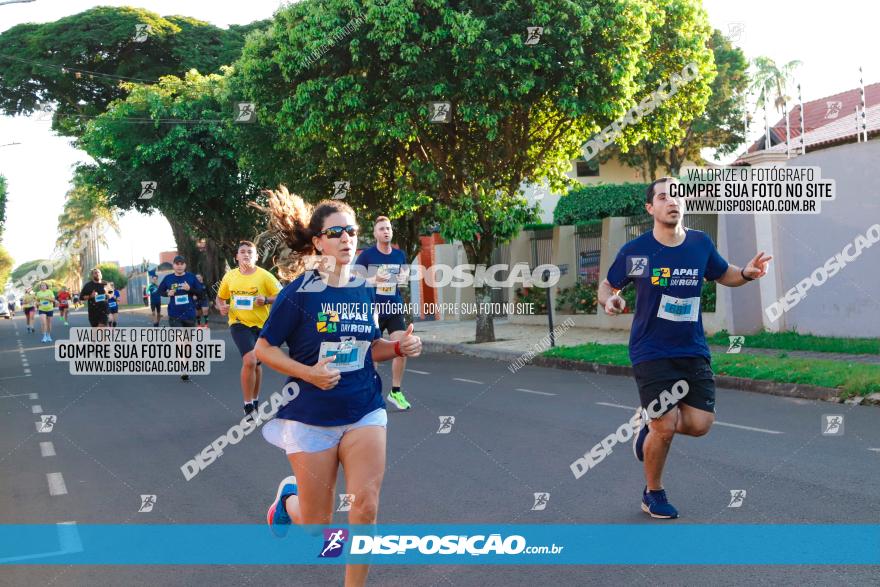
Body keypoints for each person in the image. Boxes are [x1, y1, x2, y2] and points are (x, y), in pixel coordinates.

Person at [254, 187, 421, 587]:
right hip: (312, 416)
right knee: (316, 527)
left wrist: (399, 345)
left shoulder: (368, 288)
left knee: (365, 507)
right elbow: (263, 349)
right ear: (317, 242)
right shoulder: (299, 294)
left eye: (352, 230)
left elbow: (371, 348)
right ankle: (287, 501)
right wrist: (308, 373)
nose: (347, 238)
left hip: (364, 407)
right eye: (336, 232)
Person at [598, 177, 772, 520]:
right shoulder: (639, 252)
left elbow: (725, 274)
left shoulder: (699, 244)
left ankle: (646, 421)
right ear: (651, 208)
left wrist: (748, 274)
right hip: (651, 349)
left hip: (692, 349)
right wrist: (611, 300)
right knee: (666, 425)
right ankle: (653, 493)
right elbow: (608, 285)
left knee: (699, 424)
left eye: (677, 195)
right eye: (663, 197)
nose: (671, 201)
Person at [216, 241, 281, 418]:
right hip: (239, 323)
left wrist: (266, 300)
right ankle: (248, 405)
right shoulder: (229, 277)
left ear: (256, 256)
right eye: (242, 252)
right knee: (250, 360)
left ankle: (255, 399)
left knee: (257, 365)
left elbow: (281, 295)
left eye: (250, 252)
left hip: (261, 325)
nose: (246, 255)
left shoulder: (265, 276)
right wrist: (221, 307)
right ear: (236, 257)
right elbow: (220, 298)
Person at [355, 216, 412, 410]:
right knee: (374, 352)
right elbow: (355, 278)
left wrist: (400, 276)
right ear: (375, 233)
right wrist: (374, 278)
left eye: (388, 228)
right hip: (373, 309)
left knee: (401, 346)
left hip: (394, 306)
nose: (385, 231)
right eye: (381, 229)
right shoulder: (366, 256)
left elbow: (403, 279)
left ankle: (395, 391)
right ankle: (373, 392)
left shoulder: (399, 255)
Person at [158, 256, 204, 381]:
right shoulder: (168, 278)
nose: (179, 265)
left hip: (189, 315)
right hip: (174, 314)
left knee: (188, 343)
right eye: (177, 263)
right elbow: (159, 291)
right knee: (180, 340)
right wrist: (167, 293)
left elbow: (201, 293)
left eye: (181, 263)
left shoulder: (191, 277)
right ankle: (183, 368)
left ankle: (186, 364)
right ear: (173, 265)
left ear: (185, 265)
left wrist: (190, 290)